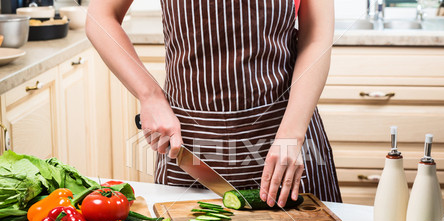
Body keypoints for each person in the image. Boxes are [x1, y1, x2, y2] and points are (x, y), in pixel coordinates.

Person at [86, 0, 342, 207]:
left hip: (283, 135)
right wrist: (150, 95)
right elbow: (100, 16)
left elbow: (316, 38)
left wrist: (292, 135)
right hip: (189, 146)